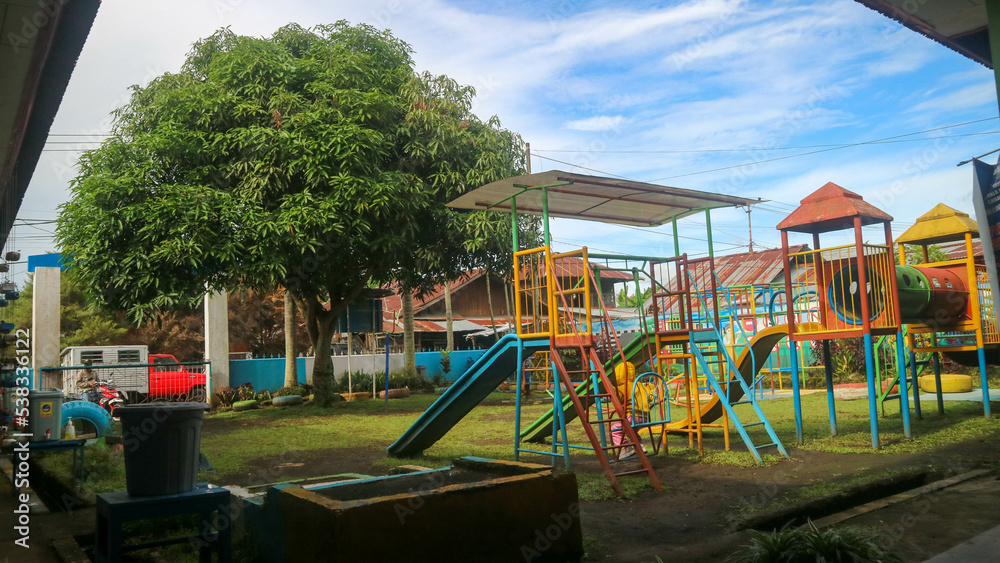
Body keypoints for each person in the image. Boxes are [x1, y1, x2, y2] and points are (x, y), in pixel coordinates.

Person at [610, 361, 647, 460]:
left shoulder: (624, 387)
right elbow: (650, 398)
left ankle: (626, 448)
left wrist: (613, 390)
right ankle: (640, 446)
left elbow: (620, 397)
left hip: (632, 416)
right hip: (645, 417)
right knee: (632, 431)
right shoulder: (639, 384)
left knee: (615, 430)